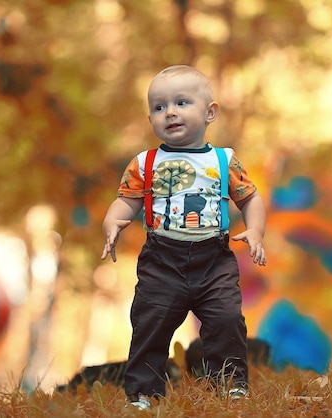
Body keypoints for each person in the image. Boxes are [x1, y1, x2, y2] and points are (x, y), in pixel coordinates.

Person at [101, 65, 267, 410]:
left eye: (181, 102)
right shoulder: (145, 162)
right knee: (150, 323)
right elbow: (125, 201)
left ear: (210, 113)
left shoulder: (224, 160)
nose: (170, 112)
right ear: (151, 119)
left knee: (226, 320)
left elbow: (250, 197)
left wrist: (255, 230)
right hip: (162, 262)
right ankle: (144, 391)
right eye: (159, 107)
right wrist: (114, 223)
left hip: (214, 261)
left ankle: (229, 384)